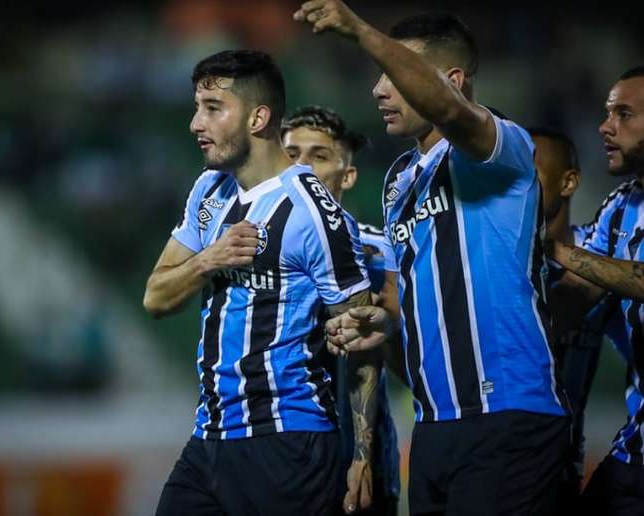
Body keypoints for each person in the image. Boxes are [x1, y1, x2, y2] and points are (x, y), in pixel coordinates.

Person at [294, 3, 570, 515]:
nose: (379, 89)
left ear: (453, 79)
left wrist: (358, 29)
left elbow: (452, 114)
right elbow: (414, 295)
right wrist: (383, 322)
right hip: (435, 426)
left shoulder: (498, 146)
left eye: (396, 73)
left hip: (506, 414)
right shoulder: (401, 179)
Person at [143, 49, 380, 516]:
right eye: (197, 108)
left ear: (258, 117)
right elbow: (155, 297)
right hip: (209, 437)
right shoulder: (209, 189)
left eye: (212, 108)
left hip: (287, 442)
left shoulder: (315, 214)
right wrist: (207, 260)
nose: (196, 123)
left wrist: (362, 456)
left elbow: (360, 338)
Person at [281, 105, 401, 516]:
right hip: (275, 451)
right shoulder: (249, 245)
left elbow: (402, 355)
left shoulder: (381, 251)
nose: (300, 168)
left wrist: (362, 455)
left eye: (317, 156)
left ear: (347, 175)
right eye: (291, 154)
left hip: (357, 453)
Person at [545, 66, 644, 516]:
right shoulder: (621, 206)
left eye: (624, 114)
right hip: (636, 451)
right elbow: (573, 298)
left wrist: (556, 249)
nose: (606, 127)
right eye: (607, 113)